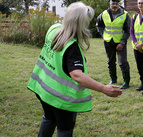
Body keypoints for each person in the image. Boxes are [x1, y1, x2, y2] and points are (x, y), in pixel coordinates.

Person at [27, 2, 122, 136]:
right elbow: (77, 75)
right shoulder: (72, 48)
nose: (88, 24)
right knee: (64, 129)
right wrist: (103, 88)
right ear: (81, 23)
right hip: (61, 98)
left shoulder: (54, 29)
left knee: (48, 118)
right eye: (87, 21)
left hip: (43, 90)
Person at [96, 0, 131, 89]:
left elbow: (128, 30)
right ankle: (113, 80)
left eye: (116, 4)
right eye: (113, 4)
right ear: (110, 4)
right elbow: (98, 25)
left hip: (120, 42)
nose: (114, 5)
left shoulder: (125, 14)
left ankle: (126, 82)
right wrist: (103, 35)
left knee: (123, 62)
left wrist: (122, 43)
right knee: (110, 62)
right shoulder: (104, 14)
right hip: (108, 41)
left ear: (119, 5)